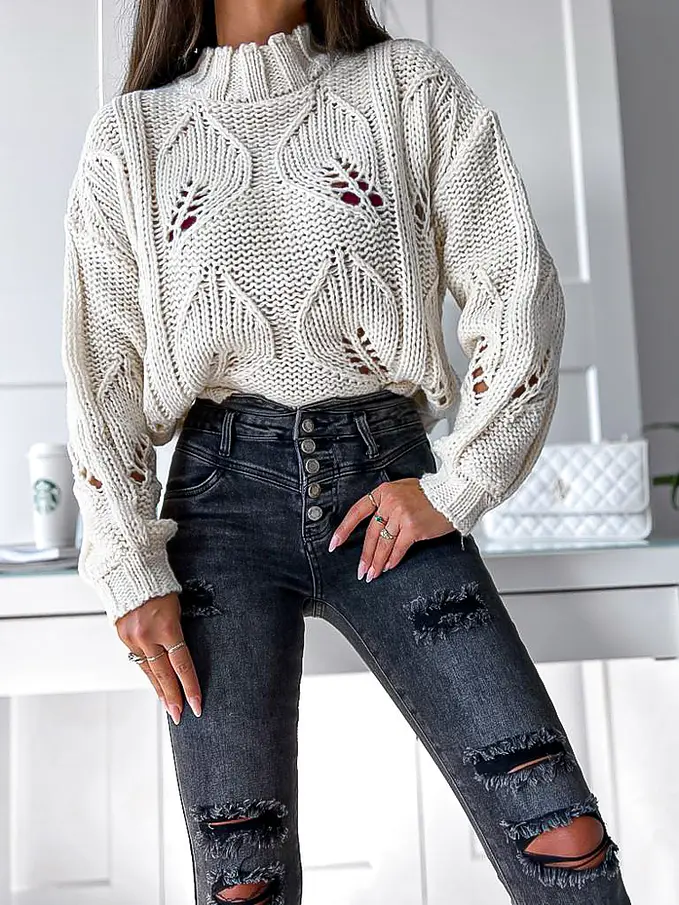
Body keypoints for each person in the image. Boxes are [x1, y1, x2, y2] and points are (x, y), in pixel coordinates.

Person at [60, 1, 632, 903]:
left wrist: (463, 480)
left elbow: (515, 286)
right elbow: (102, 367)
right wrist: (128, 562)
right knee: (241, 879)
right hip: (218, 502)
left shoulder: (406, 87)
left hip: (384, 481)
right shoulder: (133, 137)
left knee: (560, 831)